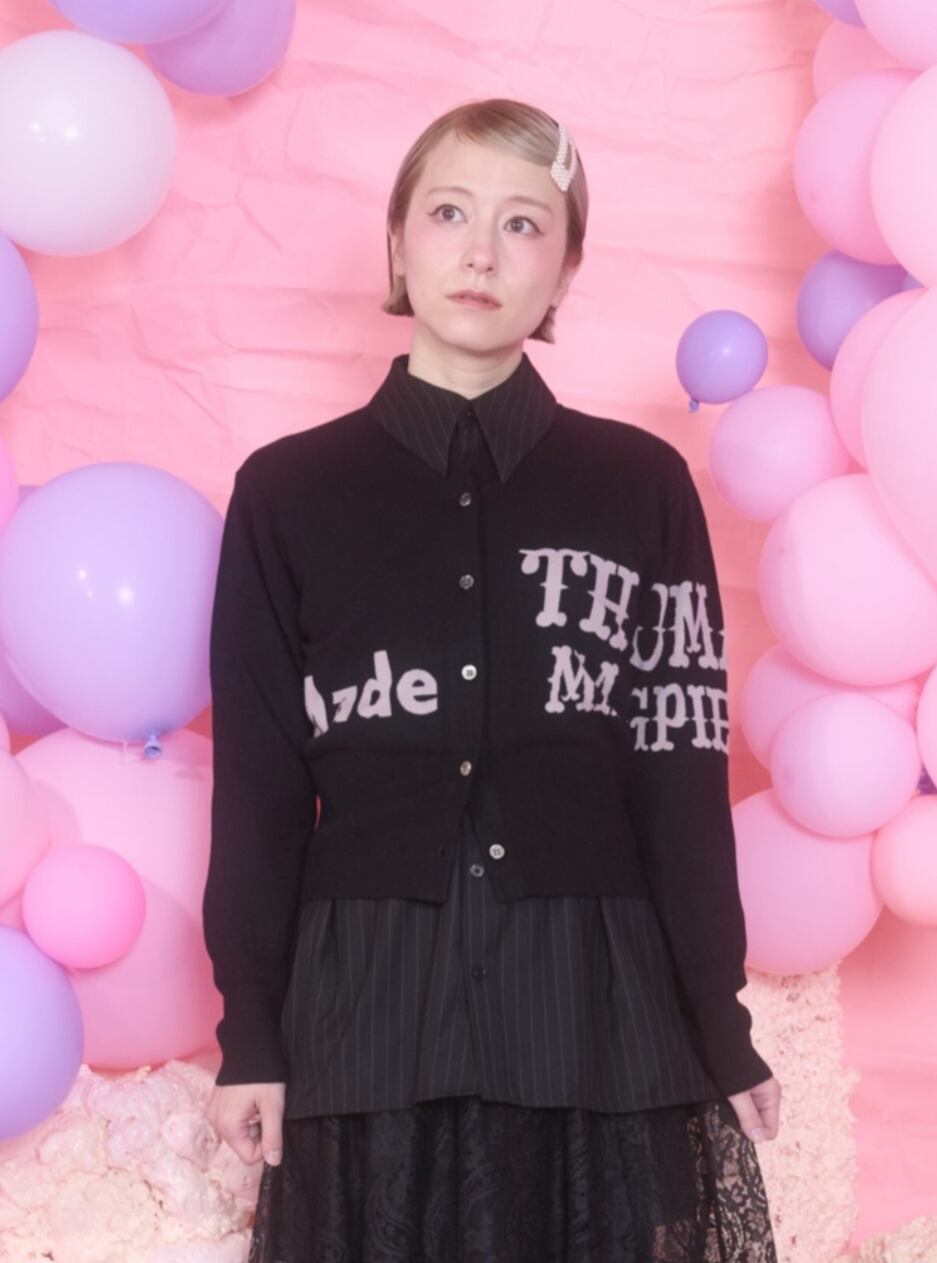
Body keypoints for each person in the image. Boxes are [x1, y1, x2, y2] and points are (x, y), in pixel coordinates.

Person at [203, 97, 782, 1261]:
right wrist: (250, 1031)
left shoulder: (641, 486)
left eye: (523, 224)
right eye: (449, 213)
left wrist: (718, 1018)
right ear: (396, 243)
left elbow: (679, 768)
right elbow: (258, 782)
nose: (480, 252)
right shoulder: (287, 493)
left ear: (565, 269)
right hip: (367, 1000)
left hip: (590, 996)